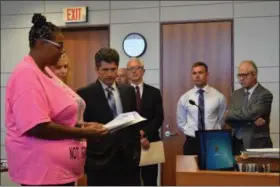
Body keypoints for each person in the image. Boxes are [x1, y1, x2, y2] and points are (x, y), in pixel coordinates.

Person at [5, 13, 108, 186]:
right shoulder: (26, 74)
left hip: (59, 172)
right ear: (40, 44)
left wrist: (82, 125)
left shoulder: (46, 72)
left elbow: (58, 117)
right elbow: (37, 127)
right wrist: (83, 133)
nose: (62, 51)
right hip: (40, 173)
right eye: (59, 46)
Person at [77, 47, 147, 186]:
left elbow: (133, 126)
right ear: (97, 69)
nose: (110, 74)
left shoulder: (128, 91)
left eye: (113, 69)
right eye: (105, 70)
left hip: (128, 160)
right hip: (99, 161)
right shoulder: (85, 93)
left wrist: (136, 153)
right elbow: (81, 127)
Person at [126, 58, 164, 186]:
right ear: (127, 72)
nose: (134, 71)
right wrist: (137, 136)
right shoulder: (122, 92)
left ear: (143, 71)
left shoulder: (154, 92)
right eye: (130, 69)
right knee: (131, 181)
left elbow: (159, 118)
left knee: (150, 181)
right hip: (129, 144)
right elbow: (123, 118)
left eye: (137, 68)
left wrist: (144, 132)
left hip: (151, 142)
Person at [177, 62, 227, 155]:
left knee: (212, 169)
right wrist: (190, 132)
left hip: (213, 141)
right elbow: (181, 122)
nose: (197, 76)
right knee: (191, 169)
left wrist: (214, 130)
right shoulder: (185, 98)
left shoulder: (218, 97)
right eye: (194, 73)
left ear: (207, 74)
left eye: (200, 72)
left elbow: (221, 119)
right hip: (192, 142)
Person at [225, 60, 273, 153]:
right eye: (239, 75)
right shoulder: (236, 94)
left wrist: (236, 115)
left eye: (245, 75)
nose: (241, 79)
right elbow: (228, 118)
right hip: (236, 142)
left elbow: (251, 113)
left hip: (257, 144)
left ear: (254, 75)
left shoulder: (265, 94)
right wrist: (252, 120)